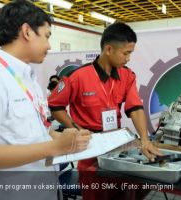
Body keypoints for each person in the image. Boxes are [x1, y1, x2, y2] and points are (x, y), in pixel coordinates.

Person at [0, 1, 91, 200]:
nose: (49, 45)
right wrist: (56, 147)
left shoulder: (27, 79)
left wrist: (61, 138)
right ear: (27, 31)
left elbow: (29, 132)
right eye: (46, 36)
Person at [48, 22, 161, 199]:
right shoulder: (78, 77)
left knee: (122, 193)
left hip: (116, 146)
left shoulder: (127, 76)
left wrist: (145, 140)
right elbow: (56, 106)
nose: (128, 58)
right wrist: (76, 129)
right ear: (109, 49)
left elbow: (135, 108)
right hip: (90, 148)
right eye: (126, 53)